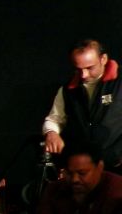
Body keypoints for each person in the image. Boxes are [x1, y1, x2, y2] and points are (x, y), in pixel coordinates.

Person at [42, 39, 122, 173]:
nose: (84, 75)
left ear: (103, 59)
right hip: (84, 167)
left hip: (117, 164)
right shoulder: (68, 89)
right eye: (79, 69)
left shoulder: (119, 83)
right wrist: (51, 133)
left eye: (90, 68)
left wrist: (118, 153)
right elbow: (54, 118)